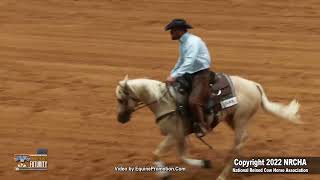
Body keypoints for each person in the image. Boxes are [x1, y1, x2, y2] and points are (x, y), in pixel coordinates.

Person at [164, 19, 213, 137]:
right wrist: (172, 74)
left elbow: (189, 62)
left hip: (201, 74)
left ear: (180, 31)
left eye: (172, 31)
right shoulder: (183, 42)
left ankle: (202, 126)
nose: (171, 33)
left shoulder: (193, 42)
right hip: (190, 73)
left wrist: (175, 76)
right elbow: (181, 61)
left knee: (193, 102)